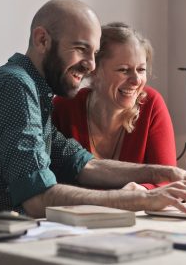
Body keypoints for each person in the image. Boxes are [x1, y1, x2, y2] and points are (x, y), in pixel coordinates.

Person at [0, 0, 186, 222]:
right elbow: (37, 199)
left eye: (94, 53)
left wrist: (161, 173)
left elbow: (84, 164)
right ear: (42, 40)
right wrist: (142, 199)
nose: (90, 65)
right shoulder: (13, 87)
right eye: (81, 49)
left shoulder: (34, 92)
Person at [52, 22, 176, 190]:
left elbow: (167, 179)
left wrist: (139, 191)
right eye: (124, 70)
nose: (136, 81)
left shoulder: (151, 104)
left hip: (137, 215)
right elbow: (48, 180)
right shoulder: (63, 107)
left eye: (141, 70)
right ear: (94, 70)